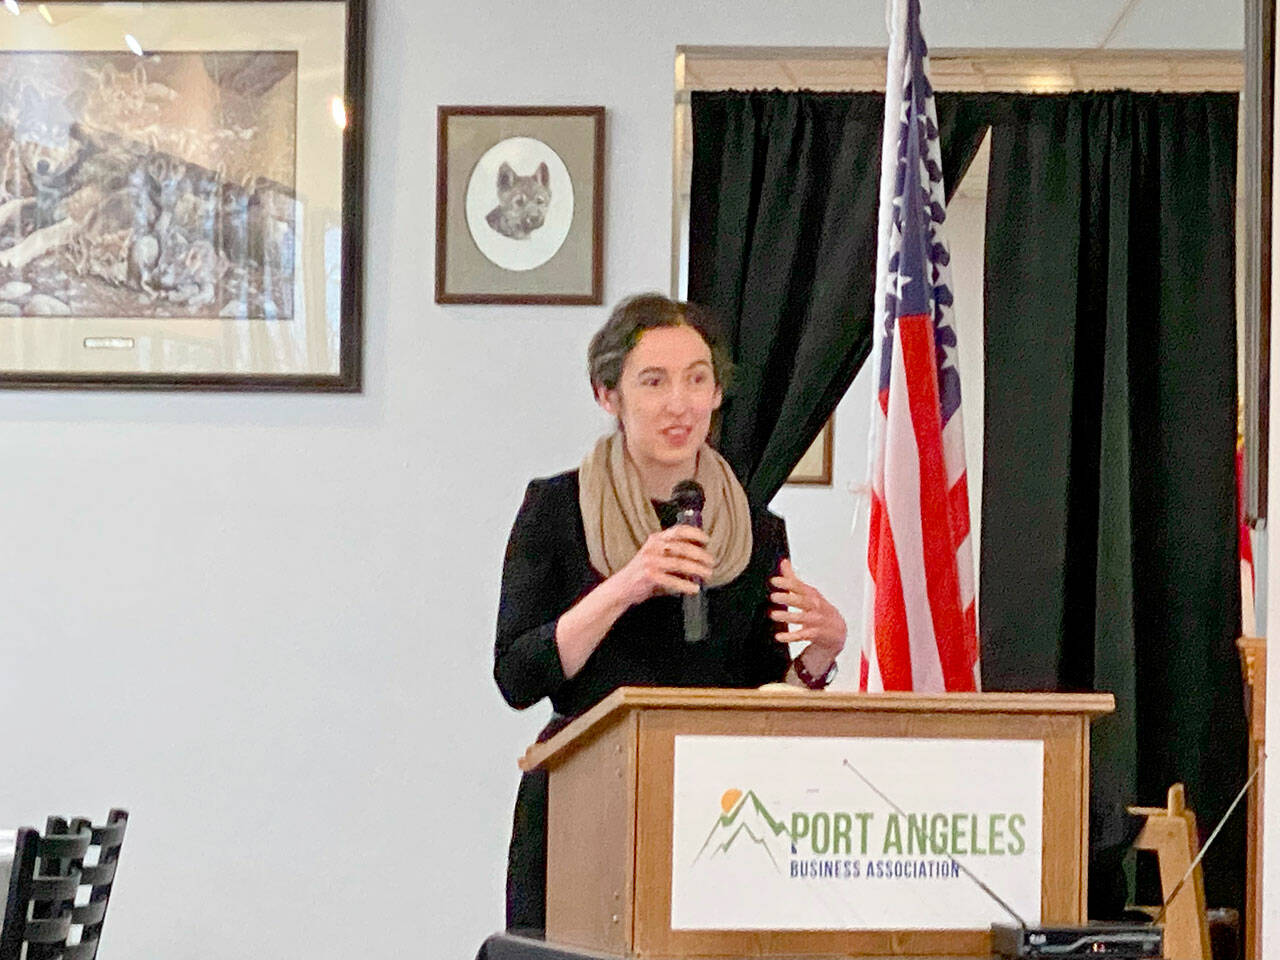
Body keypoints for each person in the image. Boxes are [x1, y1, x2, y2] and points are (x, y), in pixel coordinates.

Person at [494, 293, 847, 934]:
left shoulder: (757, 530)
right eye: (653, 382)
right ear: (609, 395)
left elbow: (763, 702)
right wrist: (627, 584)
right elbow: (518, 676)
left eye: (697, 379)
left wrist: (820, 656)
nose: (678, 403)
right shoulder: (555, 510)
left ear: (717, 394)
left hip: (719, 816)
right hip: (583, 806)